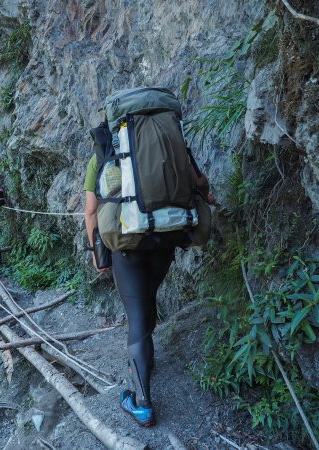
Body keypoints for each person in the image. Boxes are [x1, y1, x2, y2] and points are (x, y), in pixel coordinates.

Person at [83, 119, 214, 427]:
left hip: (127, 245)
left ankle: (142, 404)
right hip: (164, 238)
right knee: (148, 297)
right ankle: (146, 359)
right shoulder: (170, 145)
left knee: (137, 317)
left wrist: (96, 251)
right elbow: (202, 184)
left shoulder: (106, 153)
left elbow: (91, 209)